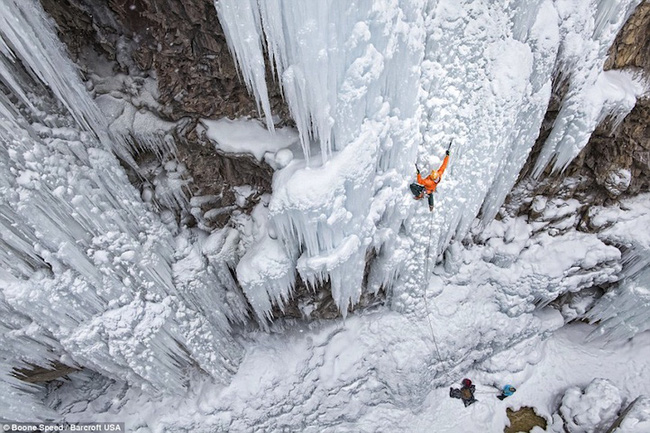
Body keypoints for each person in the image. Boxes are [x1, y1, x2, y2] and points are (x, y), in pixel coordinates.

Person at [411, 145, 451, 212]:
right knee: (430, 196)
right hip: (431, 190)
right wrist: (447, 156)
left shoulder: (428, 181)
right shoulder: (439, 175)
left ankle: (420, 195)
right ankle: (431, 206)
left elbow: (420, 181)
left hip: (426, 189)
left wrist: (418, 174)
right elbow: (444, 165)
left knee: (412, 186)